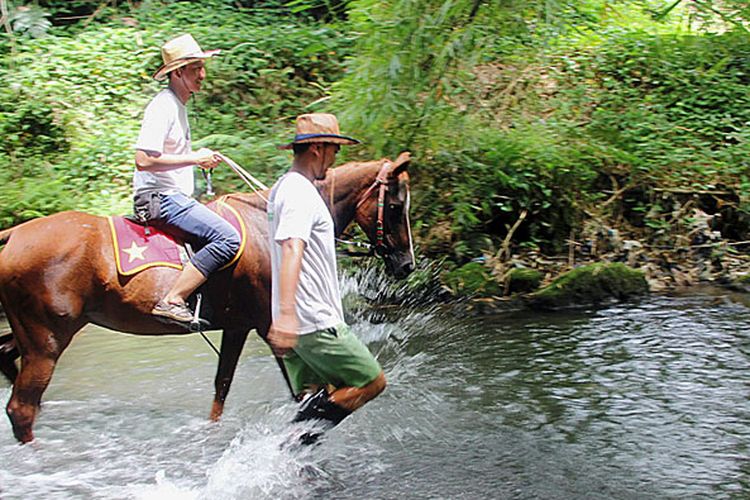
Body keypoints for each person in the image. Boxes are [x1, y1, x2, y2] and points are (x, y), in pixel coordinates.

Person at [267, 113, 387, 440]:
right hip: (312, 321)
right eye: (334, 149)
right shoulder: (298, 191)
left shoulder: (284, 188)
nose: (334, 160)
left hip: (298, 322)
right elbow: (292, 247)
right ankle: (282, 450)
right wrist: (289, 316)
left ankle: (293, 471)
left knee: (317, 397)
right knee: (372, 381)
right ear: (318, 148)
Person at [133, 34, 240, 326]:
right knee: (228, 238)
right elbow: (143, 160)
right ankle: (173, 300)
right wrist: (195, 158)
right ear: (177, 72)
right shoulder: (163, 106)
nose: (203, 75)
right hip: (159, 199)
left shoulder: (177, 107)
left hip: (171, 197)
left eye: (203, 67)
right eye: (195, 69)